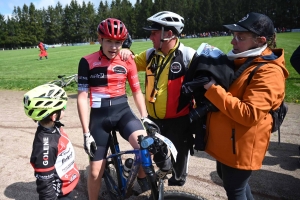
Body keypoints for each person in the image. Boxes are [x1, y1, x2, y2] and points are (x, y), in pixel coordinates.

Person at [197, 12, 289, 199]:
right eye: (234, 36)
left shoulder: (270, 71)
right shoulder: (247, 59)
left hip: (241, 145)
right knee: (232, 183)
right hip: (230, 142)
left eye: (240, 37)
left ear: (260, 40)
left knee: (235, 188)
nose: (233, 42)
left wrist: (212, 88)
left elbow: (249, 114)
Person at [76, 18, 152, 200]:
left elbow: (136, 91)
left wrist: (145, 117)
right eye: (109, 41)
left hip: (122, 112)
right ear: (100, 39)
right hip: (99, 118)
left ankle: (141, 180)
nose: (113, 47)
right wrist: (86, 133)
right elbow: (82, 97)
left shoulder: (128, 60)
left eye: (118, 42)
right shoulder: (87, 62)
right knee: (95, 173)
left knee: (145, 148)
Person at [120, 11, 196, 186]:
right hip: (153, 121)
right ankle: (149, 185)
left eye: (154, 33)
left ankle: (175, 195)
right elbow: (130, 62)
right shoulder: (150, 55)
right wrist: (125, 51)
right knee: (151, 156)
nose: (150, 36)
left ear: (168, 34)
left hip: (179, 122)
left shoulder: (188, 56)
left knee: (177, 170)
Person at [23, 84, 80, 200]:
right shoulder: (46, 145)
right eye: (63, 108)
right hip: (59, 195)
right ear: (54, 116)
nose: (65, 109)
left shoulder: (54, 128)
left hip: (67, 187)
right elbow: (45, 184)